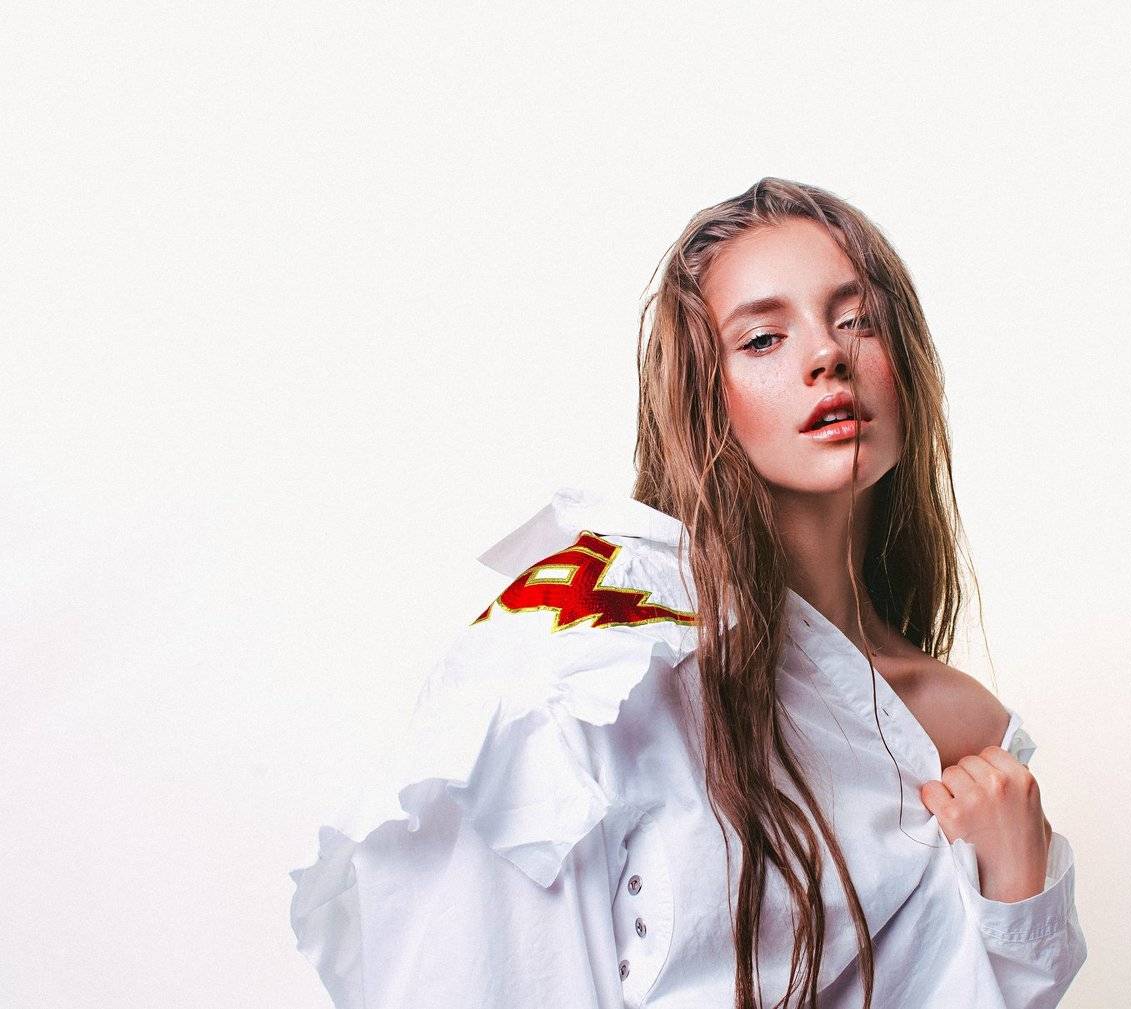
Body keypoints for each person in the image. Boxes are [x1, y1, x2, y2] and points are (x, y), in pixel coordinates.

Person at [287, 178, 1087, 1008]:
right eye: (763, 338)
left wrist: (1018, 905)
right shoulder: (596, 666)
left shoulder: (970, 734)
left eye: (858, 320)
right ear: (703, 391)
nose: (827, 355)